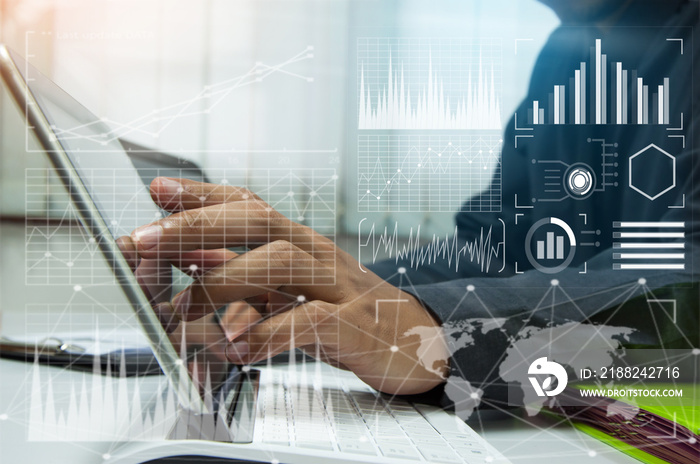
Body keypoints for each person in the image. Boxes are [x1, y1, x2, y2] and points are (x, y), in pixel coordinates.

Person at [118, 0, 699, 414]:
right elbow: (494, 246)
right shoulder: (567, 58)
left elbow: (689, 276)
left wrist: (444, 331)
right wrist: (331, 296)